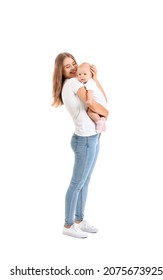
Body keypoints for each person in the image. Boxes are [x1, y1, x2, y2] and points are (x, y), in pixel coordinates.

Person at [52, 52, 109, 238]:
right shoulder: (73, 83)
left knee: (84, 182)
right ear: (61, 71)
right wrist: (106, 113)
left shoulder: (80, 82)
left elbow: (100, 95)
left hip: (92, 137)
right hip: (85, 140)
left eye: (73, 63)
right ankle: (68, 225)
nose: (73, 67)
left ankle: (79, 219)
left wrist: (95, 78)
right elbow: (98, 105)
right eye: (67, 66)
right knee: (77, 183)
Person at [76, 62, 108, 133]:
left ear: (91, 74)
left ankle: (99, 122)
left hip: (99, 102)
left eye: (85, 74)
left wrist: (89, 100)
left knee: (90, 112)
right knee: (100, 114)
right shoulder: (87, 81)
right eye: (79, 74)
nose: (82, 76)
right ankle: (102, 120)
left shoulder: (90, 83)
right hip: (101, 102)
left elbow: (90, 91)